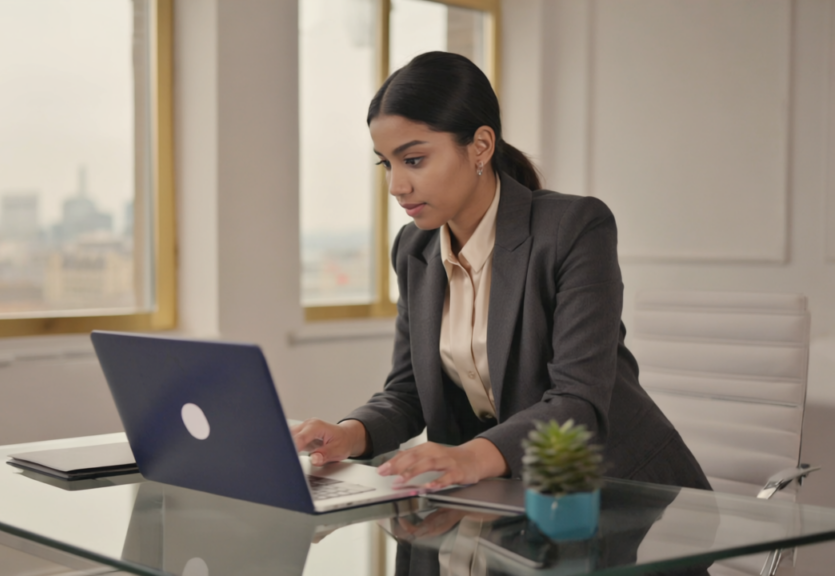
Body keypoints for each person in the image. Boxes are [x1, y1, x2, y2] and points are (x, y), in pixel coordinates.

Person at [291, 51, 710, 492]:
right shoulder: (414, 249)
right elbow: (409, 391)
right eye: (386, 164)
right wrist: (351, 433)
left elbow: (578, 400)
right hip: (504, 503)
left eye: (413, 160)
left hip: (620, 495)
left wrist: (470, 457)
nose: (397, 186)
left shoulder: (573, 229)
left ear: (481, 146)